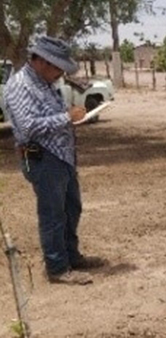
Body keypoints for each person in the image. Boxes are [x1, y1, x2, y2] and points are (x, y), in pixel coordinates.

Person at [3, 36, 100, 285]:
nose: (59, 74)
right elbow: (28, 127)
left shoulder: (44, 83)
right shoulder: (21, 85)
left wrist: (71, 118)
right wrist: (66, 118)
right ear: (42, 62)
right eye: (58, 67)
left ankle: (71, 255)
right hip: (41, 158)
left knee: (71, 207)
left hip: (60, 156)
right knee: (53, 213)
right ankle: (57, 267)